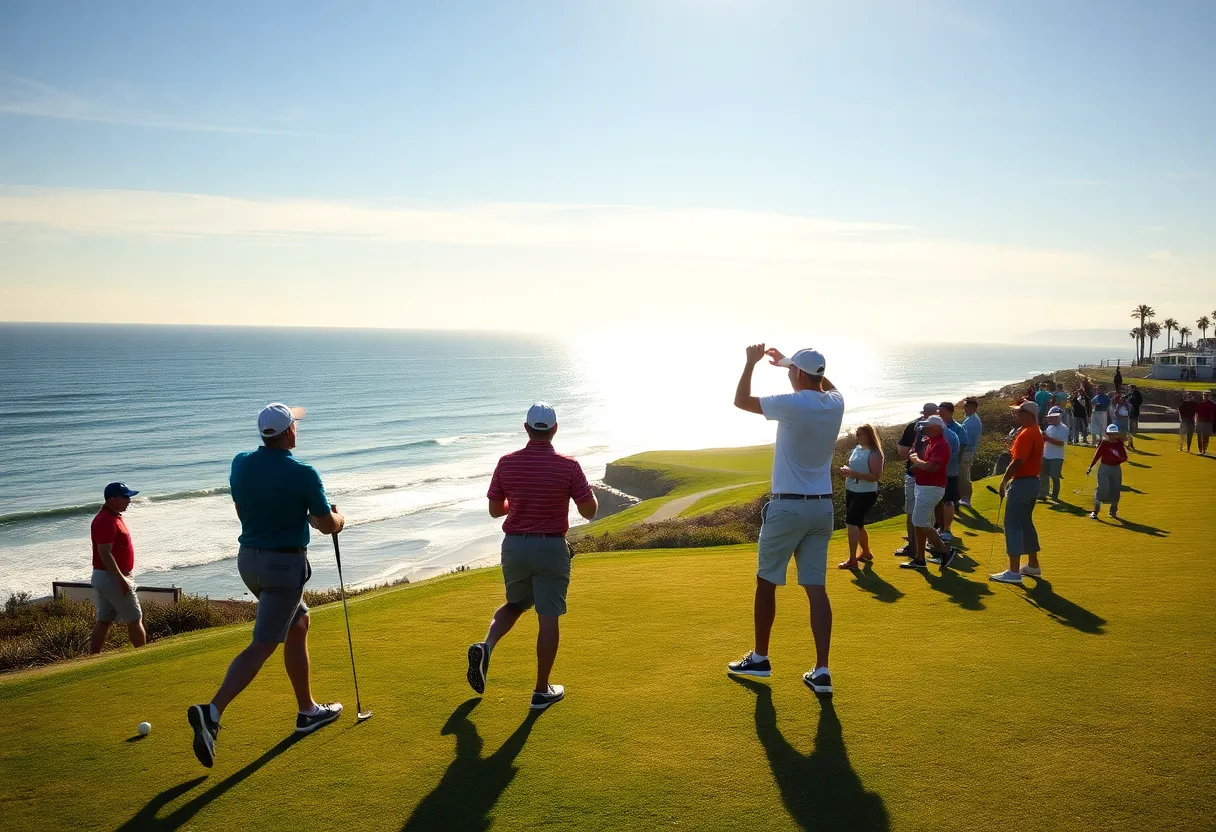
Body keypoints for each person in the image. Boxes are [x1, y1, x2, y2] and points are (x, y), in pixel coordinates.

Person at [188, 403, 346, 769]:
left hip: (249, 560)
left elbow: (243, 507)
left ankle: (307, 710)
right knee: (263, 643)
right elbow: (325, 524)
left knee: (299, 622)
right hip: (283, 565)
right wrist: (339, 517)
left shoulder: (240, 462)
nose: (298, 429)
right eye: (296, 425)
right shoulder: (303, 472)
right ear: (289, 431)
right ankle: (211, 712)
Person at [727, 345, 844, 695]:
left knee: (766, 582)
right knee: (816, 589)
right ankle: (822, 670)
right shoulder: (835, 402)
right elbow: (825, 384)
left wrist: (750, 364)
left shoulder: (793, 404)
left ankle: (761, 658)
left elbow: (741, 400)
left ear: (798, 374)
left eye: (792, 369)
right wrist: (791, 366)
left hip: (788, 506)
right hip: (822, 508)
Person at [466, 402, 597, 711]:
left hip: (514, 546)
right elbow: (589, 512)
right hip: (551, 547)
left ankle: (487, 645)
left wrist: (519, 503)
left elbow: (496, 510)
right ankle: (541, 691)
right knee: (547, 616)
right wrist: (588, 494)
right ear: (554, 429)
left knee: (515, 604)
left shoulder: (507, 462)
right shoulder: (569, 466)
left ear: (526, 428)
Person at [989, 401, 1044, 585]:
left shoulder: (1027, 433)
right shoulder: (1034, 430)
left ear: (1029, 414)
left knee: (1012, 525)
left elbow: (1018, 461)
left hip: (1022, 483)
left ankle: (1013, 571)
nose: (1016, 415)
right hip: (1033, 483)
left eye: (1020, 412)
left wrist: (1004, 481)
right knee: (1025, 523)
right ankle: (1033, 565)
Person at [89, 482, 147, 654]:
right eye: (125, 497)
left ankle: (93, 657)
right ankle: (144, 658)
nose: (129, 501)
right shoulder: (105, 520)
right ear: (112, 499)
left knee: (104, 620)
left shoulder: (114, 516)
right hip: (111, 576)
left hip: (107, 576)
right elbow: (105, 553)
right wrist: (121, 579)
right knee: (135, 618)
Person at [900, 415, 957, 570]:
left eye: (928, 426)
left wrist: (915, 461)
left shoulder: (941, 445)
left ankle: (945, 550)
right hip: (922, 485)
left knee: (919, 521)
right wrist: (917, 459)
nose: (924, 428)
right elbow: (923, 461)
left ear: (937, 428)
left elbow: (932, 467)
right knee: (919, 522)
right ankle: (920, 559)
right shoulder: (929, 442)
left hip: (932, 488)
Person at [835, 424, 883, 570]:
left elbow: (876, 476)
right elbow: (855, 470)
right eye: (857, 434)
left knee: (851, 523)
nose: (857, 436)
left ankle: (852, 560)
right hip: (851, 490)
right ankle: (866, 552)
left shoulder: (875, 453)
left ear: (869, 435)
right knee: (858, 524)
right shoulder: (857, 449)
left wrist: (853, 474)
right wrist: (847, 472)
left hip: (866, 493)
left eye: (860, 434)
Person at [895, 403, 939, 557]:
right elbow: (901, 449)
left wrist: (920, 462)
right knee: (912, 511)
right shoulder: (913, 427)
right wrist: (915, 458)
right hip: (913, 476)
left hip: (930, 478)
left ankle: (931, 545)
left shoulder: (939, 429)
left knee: (927, 511)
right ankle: (913, 546)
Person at [934, 401, 965, 542]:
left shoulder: (956, 430)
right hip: (937, 473)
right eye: (939, 411)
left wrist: (954, 463)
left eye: (943, 411)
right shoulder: (936, 430)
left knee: (948, 501)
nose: (940, 414)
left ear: (950, 412)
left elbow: (961, 448)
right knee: (938, 501)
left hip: (950, 472)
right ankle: (939, 527)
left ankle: (946, 530)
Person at [1086, 424, 1128, 519]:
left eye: (1115, 434)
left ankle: (1113, 511)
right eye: (1111, 434)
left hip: (1116, 468)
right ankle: (1095, 510)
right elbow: (1097, 455)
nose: (1113, 436)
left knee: (1116, 489)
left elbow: (1125, 457)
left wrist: (1119, 458)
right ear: (1107, 434)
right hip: (1104, 468)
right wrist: (1090, 467)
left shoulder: (1119, 444)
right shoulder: (1104, 443)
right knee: (1103, 489)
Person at [1038, 407, 1069, 501]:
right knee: (1043, 475)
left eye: (1051, 417)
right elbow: (1045, 440)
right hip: (1046, 455)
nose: (1049, 419)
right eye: (1049, 417)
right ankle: (1043, 494)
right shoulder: (1050, 427)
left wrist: (1047, 438)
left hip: (1057, 456)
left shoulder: (1064, 428)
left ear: (1058, 417)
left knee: (1055, 477)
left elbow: (1061, 443)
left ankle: (1055, 496)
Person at [957, 397, 982, 507]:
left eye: (967, 406)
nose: (964, 409)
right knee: (962, 475)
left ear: (973, 408)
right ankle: (963, 497)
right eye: (964, 406)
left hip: (966, 452)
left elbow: (968, 441)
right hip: (967, 451)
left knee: (964, 476)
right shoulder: (971, 419)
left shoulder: (973, 421)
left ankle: (966, 498)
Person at [1195, 392, 1215, 456]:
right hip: (1206, 422)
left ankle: (1202, 449)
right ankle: (1203, 449)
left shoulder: (1200, 404)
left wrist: (1196, 422)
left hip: (1202, 422)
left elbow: (1196, 414)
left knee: (1201, 436)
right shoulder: (1213, 404)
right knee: (1205, 437)